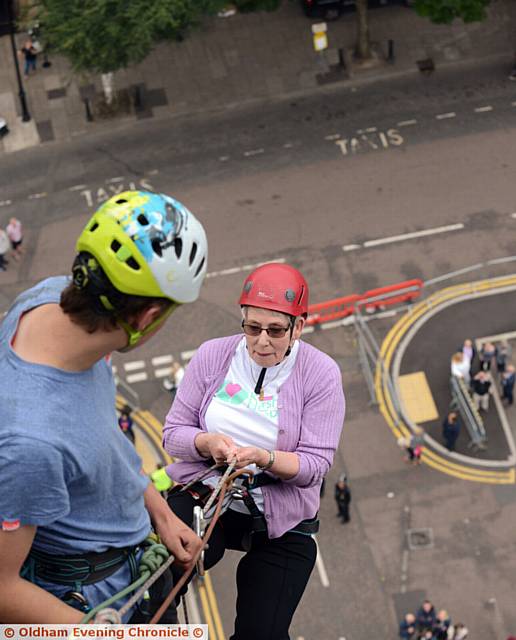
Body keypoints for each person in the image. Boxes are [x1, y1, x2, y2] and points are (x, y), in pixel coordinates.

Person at [0, 190, 208, 623]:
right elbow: (3, 588)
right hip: (96, 599)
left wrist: (160, 512)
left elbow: (97, 435)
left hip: (128, 548)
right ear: (147, 317)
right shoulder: (31, 442)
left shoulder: (47, 299)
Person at [163, 263, 345, 640]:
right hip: (208, 494)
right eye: (252, 328)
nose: (262, 341)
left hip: (283, 519)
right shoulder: (213, 356)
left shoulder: (321, 374)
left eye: (276, 330)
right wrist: (206, 443)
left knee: (262, 632)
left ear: (298, 326)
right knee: (158, 576)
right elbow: (173, 434)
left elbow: (315, 465)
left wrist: (264, 458)